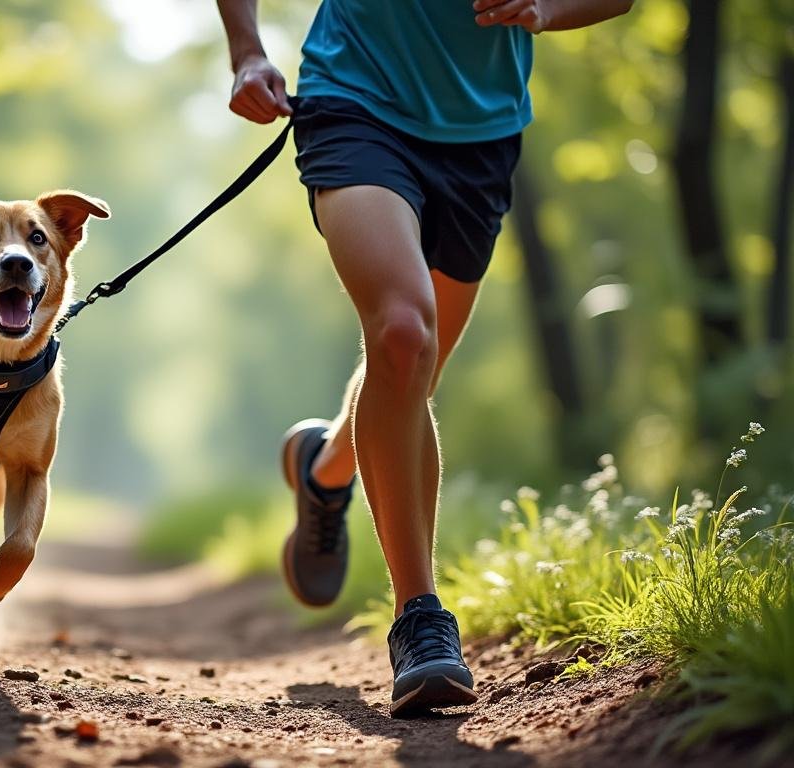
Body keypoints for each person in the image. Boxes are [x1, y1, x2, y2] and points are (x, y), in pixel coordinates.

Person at [214, 0, 634, 716]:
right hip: (354, 100)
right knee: (405, 334)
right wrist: (247, 50)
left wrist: (542, 9)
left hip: (483, 132)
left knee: (412, 372)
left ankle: (325, 469)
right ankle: (421, 618)